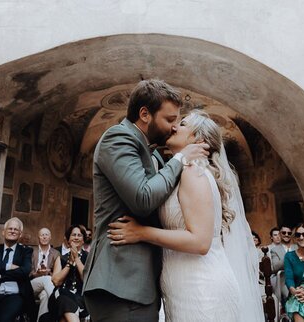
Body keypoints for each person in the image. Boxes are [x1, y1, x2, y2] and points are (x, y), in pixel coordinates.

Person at [107, 110, 264, 321]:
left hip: (202, 289)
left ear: (197, 139)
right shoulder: (184, 172)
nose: (173, 127)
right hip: (183, 287)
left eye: (182, 124)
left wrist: (141, 232)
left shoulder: (194, 174)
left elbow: (200, 242)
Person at [82, 79, 209, 321]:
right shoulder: (117, 138)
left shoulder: (152, 152)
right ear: (145, 114)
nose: (174, 127)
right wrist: (180, 159)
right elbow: (142, 198)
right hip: (120, 282)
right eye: (170, 119)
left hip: (143, 285)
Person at [41, 225, 88, 322]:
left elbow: (86, 279)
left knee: (64, 316)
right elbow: (56, 281)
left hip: (81, 298)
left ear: (83, 240)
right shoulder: (61, 258)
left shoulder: (89, 258)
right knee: (63, 294)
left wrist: (77, 259)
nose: (76, 237)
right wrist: (69, 263)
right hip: (60, 296)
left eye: (79, 235)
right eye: (73, 235)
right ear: (68, 240)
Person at [30, 228, 60, 320]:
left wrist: (47, 272)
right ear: (38, 237)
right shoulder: (31, 251)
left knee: (45, 296)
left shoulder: (55, 253)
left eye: (46, 234)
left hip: (47, 287)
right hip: (32, 285)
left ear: (50, 237)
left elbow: (56, 274)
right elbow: (26, 272)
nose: (44, 237)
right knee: (47, 279)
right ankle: (58, 299)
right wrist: (37, 273)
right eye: (42, 235)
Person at [269, 225, 295, 314]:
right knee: (291, 296)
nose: (286, 235)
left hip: (300, 278)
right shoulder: (275, 250)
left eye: (289, 233)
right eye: (284, 233)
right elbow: (275, 267)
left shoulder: (297, 247)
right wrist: (287, 256)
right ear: (280, 234)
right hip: (284, 279)